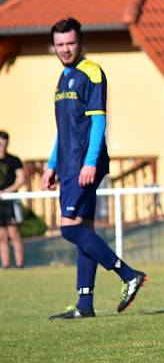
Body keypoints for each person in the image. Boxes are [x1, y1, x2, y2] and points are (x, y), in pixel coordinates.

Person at [42, 17, 146, 319]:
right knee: (82, 229)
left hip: (83, 163)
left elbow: (99, 120)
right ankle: (84, 304)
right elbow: (64, 129)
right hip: (68, 163)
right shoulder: (63, 78)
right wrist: (51, 164)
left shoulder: (92, 73)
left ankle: (128, 275)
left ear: (80, 42)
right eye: (59, 44)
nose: (65, 49)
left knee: (68, 227)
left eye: (70, 43)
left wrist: (90, 162)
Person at [0, 131, 26, 268]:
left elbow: (21, 179)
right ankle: (5, 265)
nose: (2, 146)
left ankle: (20, 265)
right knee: (1, 235)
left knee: (14, 232)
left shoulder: (14, 160)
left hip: (11, 200)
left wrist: (6, 191)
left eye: (4, 143)